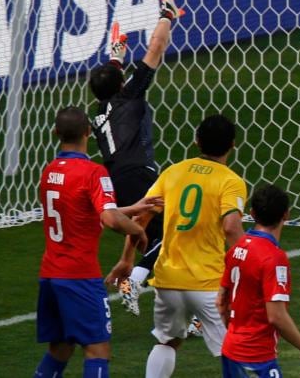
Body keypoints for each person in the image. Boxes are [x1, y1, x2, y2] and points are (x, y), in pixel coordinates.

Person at [105, 114, 246, 377]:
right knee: (233, 350)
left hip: (168, 280)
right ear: (232, 145)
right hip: (208, 283)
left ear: (196, 142)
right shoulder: (230, 181)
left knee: (168, 342)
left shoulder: (173, 172)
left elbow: (140, 216)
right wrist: (250, 265)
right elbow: (231, 227)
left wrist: (127, 259)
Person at [34, 106, 157, 378]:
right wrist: (137, 229)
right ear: (89, 132)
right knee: (98, 350)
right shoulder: (93, 172)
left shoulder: (48, 172)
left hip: (51, 275)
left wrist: (129, 208)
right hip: (80, 276)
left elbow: (84, 211)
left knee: (61, 348)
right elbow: (110, 220)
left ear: (56, 133)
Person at [89, 0, 184, 317]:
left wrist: (116, 55)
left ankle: (132, 270)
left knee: (147, 232)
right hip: (140, 174)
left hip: (115, 183)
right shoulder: (130, 95)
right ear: (122, 83)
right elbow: (157, 47)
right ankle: (136, 283)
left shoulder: (100, 110)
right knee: (175, 232)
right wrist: (167, 14)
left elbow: (111, 76)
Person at [217, 184, 300, 378]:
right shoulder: (273, 257)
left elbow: (220, 302)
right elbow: (276, 315)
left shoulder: (237, 248)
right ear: (286, 214)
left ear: (251, 213)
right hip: (256, 356)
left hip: (230, 349)